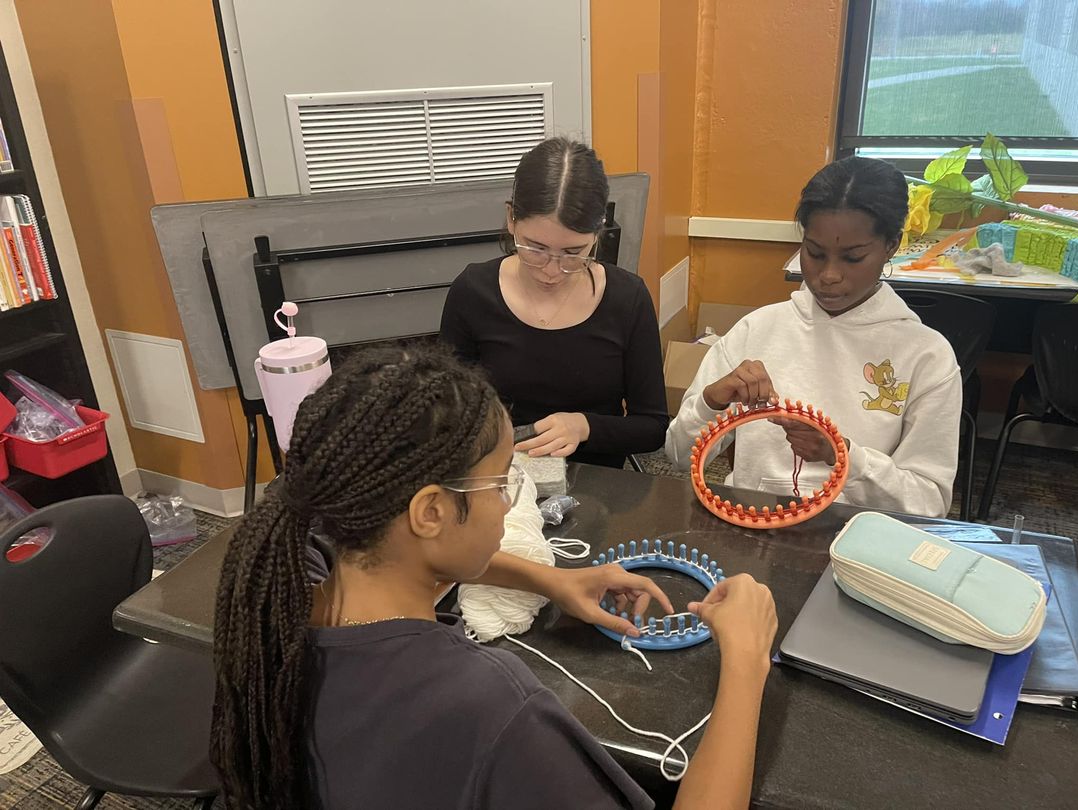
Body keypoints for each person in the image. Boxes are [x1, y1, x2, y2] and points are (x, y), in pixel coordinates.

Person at [211, 343, 777, 810]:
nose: (509, 506)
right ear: (430, 511)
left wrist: (551, 580)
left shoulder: (281, 590)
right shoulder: (493, 708)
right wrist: (747, 661)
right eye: (502, 482)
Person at [666, 157, 961, 518]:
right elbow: (678, 458)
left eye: (853, 257)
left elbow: (928, 503)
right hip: (751, 524)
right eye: (815, 253)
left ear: (891, 246)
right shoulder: (756, 331)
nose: (829, 275)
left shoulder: (926, 355)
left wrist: (842, 456)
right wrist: (710, 402)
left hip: (857, 536)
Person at [440, 137, 668, 468]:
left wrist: (584, 426)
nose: (551, 270)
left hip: (596, 482)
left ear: (597, 232)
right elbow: (447, 411)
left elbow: (652, 426)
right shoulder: (473, 292)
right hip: (500, 475)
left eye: (573, 253)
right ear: (511, 220)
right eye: (534, 248)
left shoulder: (627, 299)